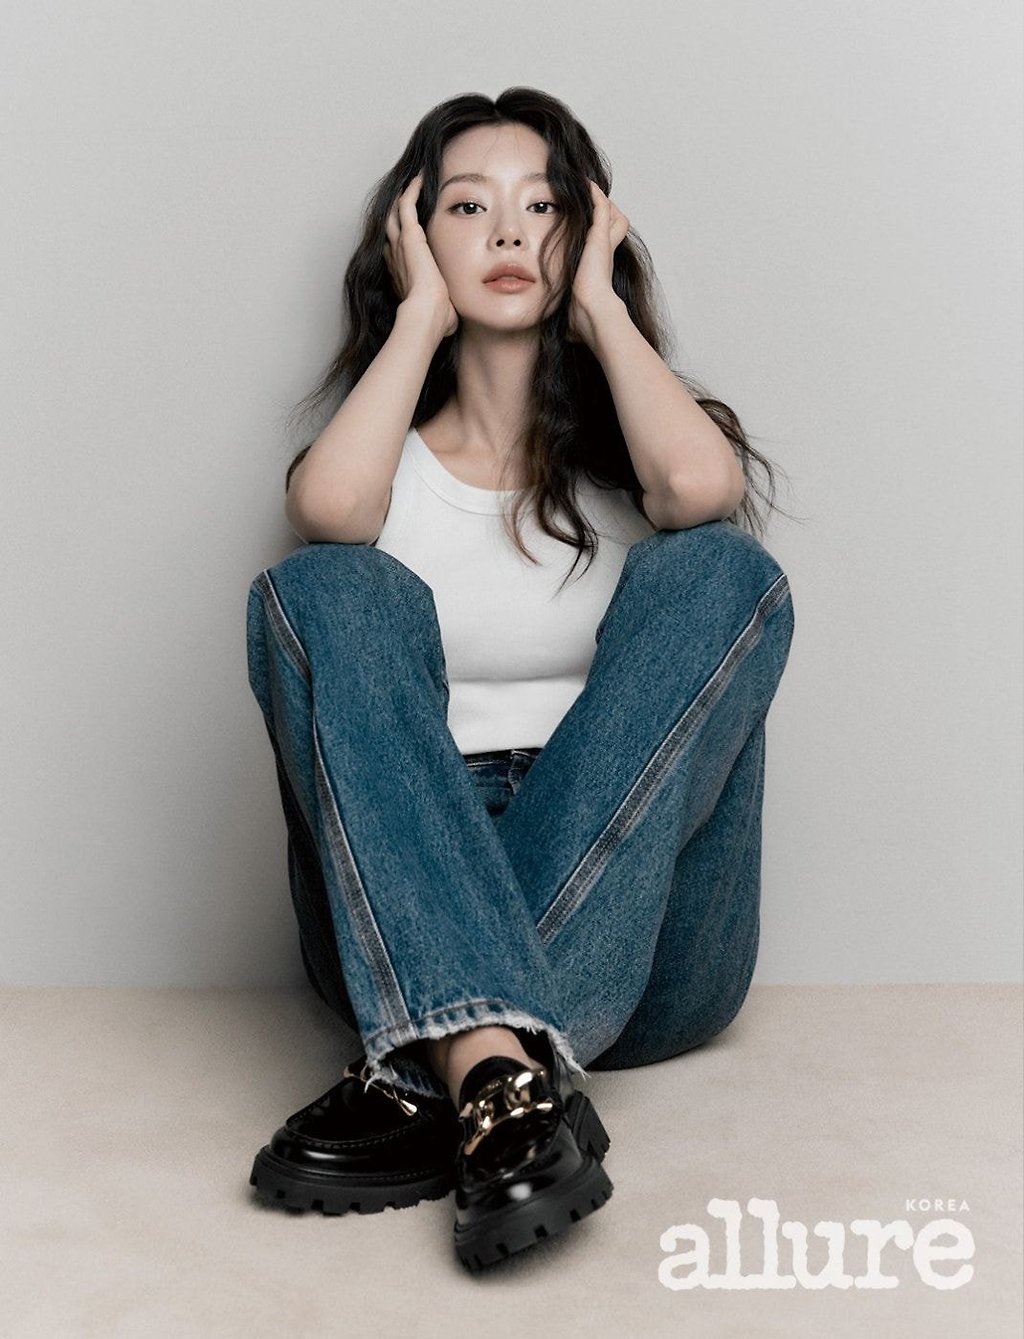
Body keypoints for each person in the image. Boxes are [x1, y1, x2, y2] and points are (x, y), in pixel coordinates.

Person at [245, 87, 796, 1272]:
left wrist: (599, 305)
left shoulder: (642, 455)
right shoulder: (376, 465)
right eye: (466, 207)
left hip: (645, 941)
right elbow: (326, 514)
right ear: (412, 239)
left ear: (587, 231)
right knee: (325, 586)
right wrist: (416, 322)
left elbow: (702, 496)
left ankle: (438, 1062)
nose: (506, 232)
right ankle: (502, 1076)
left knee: (717, 569)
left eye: (542, 206)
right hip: (409, 889)